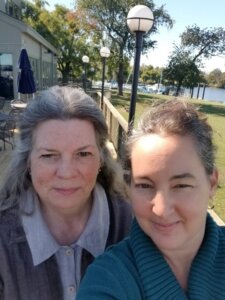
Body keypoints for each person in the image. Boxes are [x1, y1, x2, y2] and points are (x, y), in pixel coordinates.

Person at [77, 99, 225, 299]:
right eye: (145, 186)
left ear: (212, 183)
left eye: (181, 186)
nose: (161, 210)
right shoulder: (107, 279)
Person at [0, 86, 132, 300]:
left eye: (82, 153)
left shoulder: (133, 225)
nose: (67, 173)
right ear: (28, 161)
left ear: (100, 159)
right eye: (49, 155)